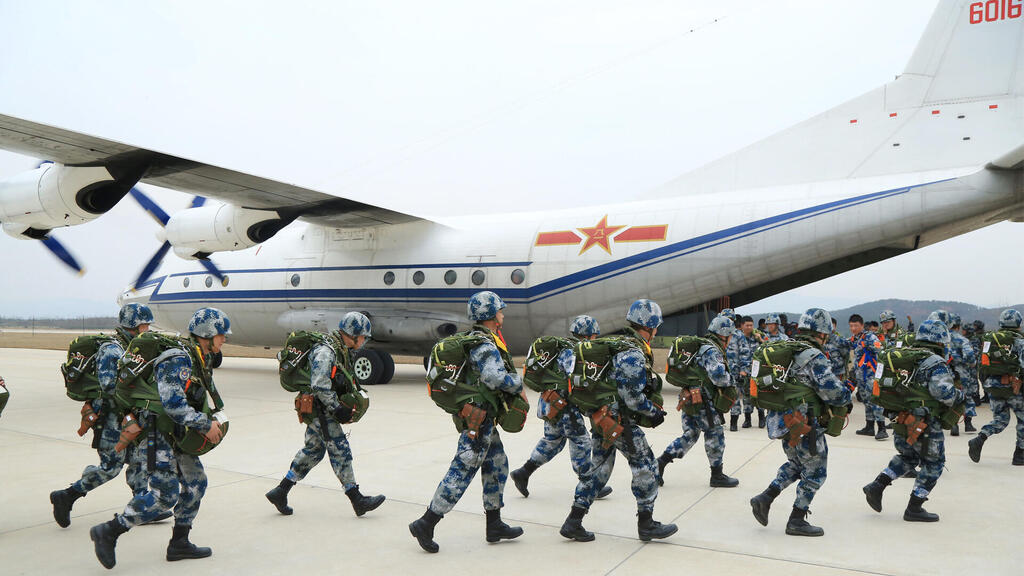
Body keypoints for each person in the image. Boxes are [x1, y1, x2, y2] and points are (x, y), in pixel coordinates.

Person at [89, 307, 231, 569]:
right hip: (157, 433)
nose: (224, 340)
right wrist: (204, 424)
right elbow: (173, 404)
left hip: (175, 433)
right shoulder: (178, 359)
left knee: (196, 483)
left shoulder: (199, 357)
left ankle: (179, 542)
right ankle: (109, 531)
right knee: (164, 495)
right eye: (222, 335)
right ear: (207, 334)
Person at [409, 291, 524, 553]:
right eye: (500, 310)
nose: (503, 314)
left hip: (483, 417)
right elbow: (494, 378)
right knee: (462, 470)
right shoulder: (484, 345)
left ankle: (494, 525)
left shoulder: (482, 340)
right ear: (491, 315)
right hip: (479, 420)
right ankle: (426, 522)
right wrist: (517, 383)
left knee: (497, 464)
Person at [558, 299, 676, 543]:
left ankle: (573, 521)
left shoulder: (619, 343)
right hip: (619, 422)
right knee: (647, 466)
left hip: (603, 419)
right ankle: (647, 524)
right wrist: (653, 413)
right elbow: (630, 396)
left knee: (598, 470)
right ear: (651, 325)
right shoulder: (632, 352)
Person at [50, 304, 160, 528]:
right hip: (110, 417)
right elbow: (109, 386)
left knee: (140, 460)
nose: (147, 328)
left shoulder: (132, 347)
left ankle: (141, 507)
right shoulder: (112, 349)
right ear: (134, 325)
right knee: (111, 467)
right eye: (144, 324)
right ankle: (67, 495)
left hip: (127, 415)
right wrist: (140, 392)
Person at [265, 312, 385, 517]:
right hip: (319, 407)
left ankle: (281, 491)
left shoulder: (341, 349)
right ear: (351, 334)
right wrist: (337, 408)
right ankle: (357, 499)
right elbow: (319, 385)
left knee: (313, 450)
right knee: (340, 449)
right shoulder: (326, 351)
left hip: (318, 407)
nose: (364, 341)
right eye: (362, 336)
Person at [749, 308, 852, 537]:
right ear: (822, 333)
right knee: (816, 472)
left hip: (783, 423)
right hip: (806, 424)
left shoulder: (788, 349)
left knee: (796, 465)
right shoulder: (812, 356)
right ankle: (796, 519)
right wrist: (846, 395)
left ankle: (764, 498)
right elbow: (832, 391)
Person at [862, 320, 964, 522]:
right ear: (941, 340)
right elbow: (944, 394)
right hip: (925, 423)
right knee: (935, 463)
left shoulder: (906, 357)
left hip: (900, 418)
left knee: (908, 457)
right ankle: (914, 507)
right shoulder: (935, 362)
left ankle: (877, 485)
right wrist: (961, 395)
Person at [509, 315, 612, 500]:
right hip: (564, 406)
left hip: (550, 403)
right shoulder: (573, 351)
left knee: (552, 441)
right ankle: (588, 484)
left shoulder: (561, 347)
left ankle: (523, 473)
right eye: (594, 335)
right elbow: (576, 379)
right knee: (581, 441)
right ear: (588, 335)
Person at [657, 315, 739, 488]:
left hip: (689, 396)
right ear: (724, 334)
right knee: (715, 435)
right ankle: (717, 475)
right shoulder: (712, 350)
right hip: (704, 401)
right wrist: (733, 380)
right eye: (730, 335)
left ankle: (660, 463)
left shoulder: (699, 346)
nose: (731, 339)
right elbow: (718, 378)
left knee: (690, 434)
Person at [968, 309, 1024, 466]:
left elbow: (983, 363)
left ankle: (980, 438)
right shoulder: (1019, 341)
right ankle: (1020, 454)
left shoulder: (990, 340)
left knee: (1001, 419)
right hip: (1014, 387)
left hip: (993, 386)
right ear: (1018, 324)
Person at [849, 314, 887, 440]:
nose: (853, 328)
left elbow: (881, 352)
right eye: (851, 326)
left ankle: (882, 428)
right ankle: (869, 427)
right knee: (866, 401)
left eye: (856, 326)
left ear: (861, 325)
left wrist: (879, 373)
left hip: (871, 376)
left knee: (875, 401)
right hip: (862, 376)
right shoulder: (856, 338)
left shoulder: (870, 337)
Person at [947, 313, 977, 435]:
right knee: (966, 397)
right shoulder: (963, 340)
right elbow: (970, 356)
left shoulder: (942, 340)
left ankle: (953, 424)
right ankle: (968, 424)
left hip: (946, 373)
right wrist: (971, 364)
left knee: (950, 398)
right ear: (958, 326)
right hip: (962, 372)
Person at [726, 314, 757, 430]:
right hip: (724, 373)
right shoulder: (720, 336)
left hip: (737, 372)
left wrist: (744, 371)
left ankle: (741, 420)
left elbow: (745, 354)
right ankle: (727, 421)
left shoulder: (738, 336)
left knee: (741, 397)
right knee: (727, 397)